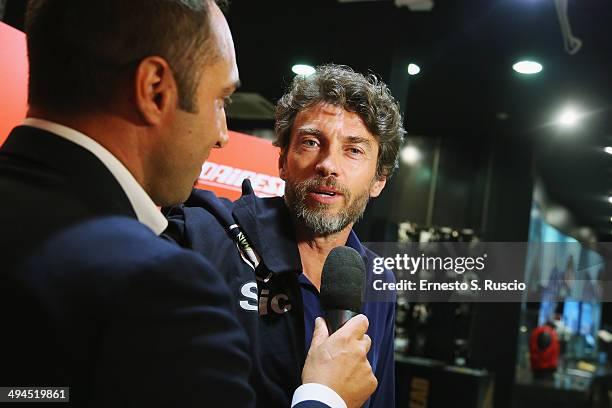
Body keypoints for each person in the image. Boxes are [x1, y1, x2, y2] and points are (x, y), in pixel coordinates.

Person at [0, 1, 376, 407]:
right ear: (154, 89)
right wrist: (325, 397)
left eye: (354, 150)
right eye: (220, 100)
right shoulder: (160, 281)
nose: (221, 136)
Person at [165, 64, 405, 407]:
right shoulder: (204, 237)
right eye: (311, 142)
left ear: (379, 179)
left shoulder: (378, 278)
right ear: (282, 161)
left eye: (354, 150)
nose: (328, 165)